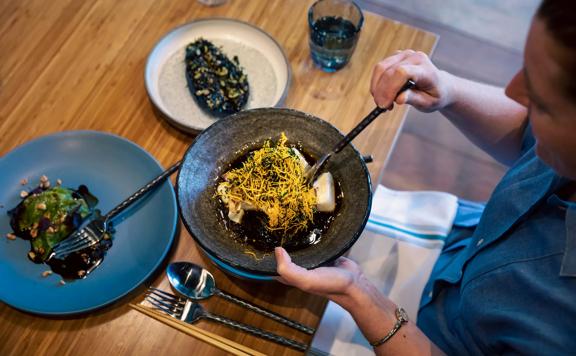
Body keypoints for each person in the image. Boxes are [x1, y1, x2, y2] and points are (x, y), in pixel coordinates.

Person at [275, 0, 576, 354]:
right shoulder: (562, 143)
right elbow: (530, 135)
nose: (512, 92)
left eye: (541, 101)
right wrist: (450, 92)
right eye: (525, 69)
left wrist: (361, 296)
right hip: (463, 246)